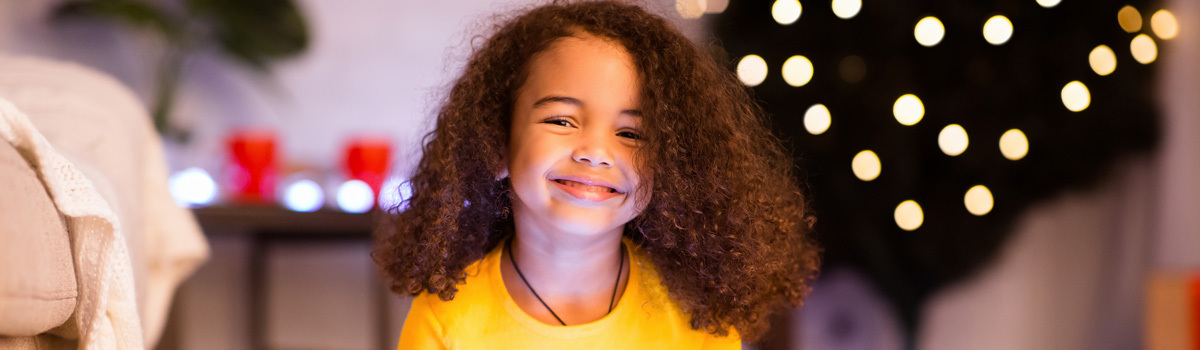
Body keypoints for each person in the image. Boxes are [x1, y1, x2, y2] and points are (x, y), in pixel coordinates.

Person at [372, 1, 820, 348]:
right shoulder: (445, 319)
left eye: (631, 132)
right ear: (497, 143)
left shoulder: (697, 316)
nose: (594, 152)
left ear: (673, 168)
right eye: (561, 121)